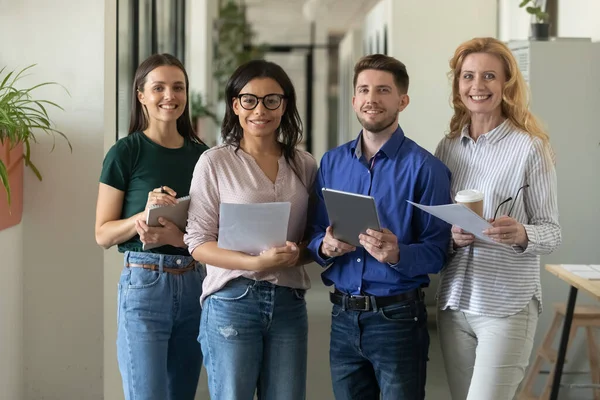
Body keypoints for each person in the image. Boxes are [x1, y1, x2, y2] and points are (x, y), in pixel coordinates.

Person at [307, 53, 452, 400]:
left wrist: (398, 253)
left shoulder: (426, 169)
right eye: (364, 90)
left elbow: (438, 251)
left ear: (402, 100)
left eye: (383, 90)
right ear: (354, 99)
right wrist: (324, 246)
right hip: (342, 316)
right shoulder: (332, 161)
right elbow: (314, 232)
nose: (372, 99)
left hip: (398, 320)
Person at [434, 37, 561, 400]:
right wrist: (452, 236)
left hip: (506, 306)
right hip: (456, 302)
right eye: (468, 76)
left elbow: (552, 232)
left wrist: (522, 233)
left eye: (489, 76)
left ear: (506, 84)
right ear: (458, 85)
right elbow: (441, 227)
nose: (477, 86)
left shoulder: (530, 147)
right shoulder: (448, 147)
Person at [184, 59, 317, 400]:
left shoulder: (304, 164)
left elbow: (313, 236)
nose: (261, 110)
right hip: (232, 299)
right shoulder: (214, 162)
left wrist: (297, 253)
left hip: (289, 301)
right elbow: (198, 242)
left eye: (272, 100)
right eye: (250, 100)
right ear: (235, 105)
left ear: (284, 104)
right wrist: (255, 263)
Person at [95, 53, 208, 400]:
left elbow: (212, 232)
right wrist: (139, 217)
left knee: (181, 394)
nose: (169, 96)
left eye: (177, 87)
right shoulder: (125, 152)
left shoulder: (203, 156)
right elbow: (102, 234)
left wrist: (182, 235)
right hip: (144, 284)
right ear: (141, 95)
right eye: (158, 88)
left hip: (194, 284)